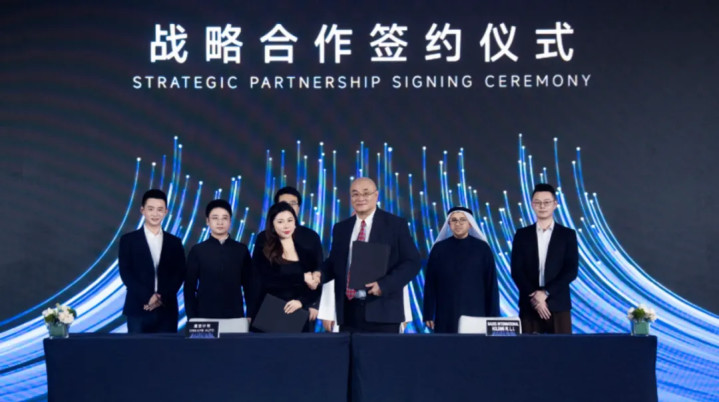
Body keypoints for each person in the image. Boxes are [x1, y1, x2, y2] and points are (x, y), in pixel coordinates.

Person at [322, 177, 421, 333]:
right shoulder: (341, 228)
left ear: (376, 195)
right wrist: (318, 275)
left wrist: (384, 285)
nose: (360, 198)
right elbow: (334, 263)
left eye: (366, 193)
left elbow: (412, 262)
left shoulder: (395, 225)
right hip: (348, 313)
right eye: (355, 194)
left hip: (383, 312)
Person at [510, 183, 578, 334]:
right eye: (538, 202)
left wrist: (545, 293)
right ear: (532, 205)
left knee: (562, 348)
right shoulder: (522, 235)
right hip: (530, 304)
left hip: (558, 304)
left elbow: (571, 270)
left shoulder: (567, 235)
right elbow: (517, 270)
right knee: (529, 348)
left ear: (555, 204)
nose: (542, 206)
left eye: (547, 202)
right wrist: (535, 296)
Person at [253, 186, 324, 324]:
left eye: (290, 220)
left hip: (300, 312)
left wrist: (309, 302)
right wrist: (302, 277)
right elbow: (261, 278)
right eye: (280, 221)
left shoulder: (309, 239)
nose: (286, 225)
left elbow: (318, 273)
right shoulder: (264, 240)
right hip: (269, 310)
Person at [119, 189, 186, 333]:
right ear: (142, 210)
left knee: (167, 348)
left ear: (166, 212)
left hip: (166, 309)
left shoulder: (174, 242)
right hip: (137, 308)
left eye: (160, 209)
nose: (155, 214)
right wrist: (148, 296)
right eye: (151, 209)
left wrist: (160, 298)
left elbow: (179, 273)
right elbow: (126, 273)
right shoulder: (128, 240)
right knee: (137, 347)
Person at [423, 206, 499, 333]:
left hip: (476, 312)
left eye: (463, 220)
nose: (458, 223)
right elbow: (430, 284)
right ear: (449, 224)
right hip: (445, 312)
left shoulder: (483, 249)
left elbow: (491, 284)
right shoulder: (438, 249)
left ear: (470, 224)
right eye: (454, 220)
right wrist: (428, 313)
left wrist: (494, 316)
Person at [184, 199, 254, 319]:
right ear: (208, 221)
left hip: (235, 315)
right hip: (205, 315)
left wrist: (250, 315)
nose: (220, 222)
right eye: (215, 218)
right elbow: (189, 288)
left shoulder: (241, 250)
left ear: (230, 221)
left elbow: (249, 287)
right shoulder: (198, 250)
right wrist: (192, 317)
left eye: (224, 218)